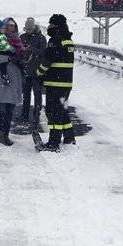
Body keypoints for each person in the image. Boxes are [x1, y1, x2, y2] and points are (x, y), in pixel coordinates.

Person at [36, 14, 75, 151]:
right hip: (66, 84)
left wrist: (39, 73)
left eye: (51, 24)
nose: (49, 27)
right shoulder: (67, 40)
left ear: (56, 26)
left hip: (55, 83)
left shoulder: (55, 41)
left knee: (53, 113)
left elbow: (48, 60)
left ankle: (54, 142)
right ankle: (69, 137)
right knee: (62, 110)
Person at [0, 19, 24, 146]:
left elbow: (22, 54)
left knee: (10, 109)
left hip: (15, 78)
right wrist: (8, 58)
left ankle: (6, 134)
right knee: (2, 108)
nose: (11, 28)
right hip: (1, 79)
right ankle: (0, 135)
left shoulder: (18, 40)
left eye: (13, 26)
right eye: (8, 25)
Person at [20, 17, 47, 121]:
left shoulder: (41, 38)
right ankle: (24, 115)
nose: (27, 31)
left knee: (37, 95)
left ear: (34, 27)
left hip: (37, 72)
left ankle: (37, 115)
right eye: (26, 29)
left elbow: (44, 53)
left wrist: (32, 49)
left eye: (29, 29)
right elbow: (19, 52)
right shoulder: (22, 37)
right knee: (26, 95)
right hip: (26, 70)